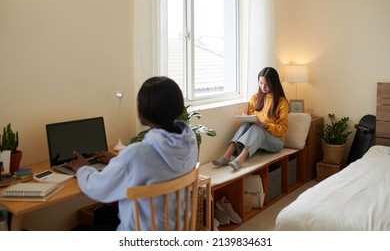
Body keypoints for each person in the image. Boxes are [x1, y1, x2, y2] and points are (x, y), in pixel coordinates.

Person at [67, 76, 199, 231]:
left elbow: (97, 189)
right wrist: (118, 161)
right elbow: (152, 168)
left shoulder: (136, 154)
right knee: (103, 213)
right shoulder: (189, 143)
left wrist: (83, 168)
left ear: (142, 113)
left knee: (77, 231)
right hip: (173, 231)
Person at [212, 67, 289, 171]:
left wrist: (266, 125)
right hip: (260, 137)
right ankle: (226, 156)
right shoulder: (256, 98)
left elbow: (283, 129)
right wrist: (247, 118)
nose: (263, 87)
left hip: (276, 141)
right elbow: (252, 117)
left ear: (274, 83)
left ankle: (240, 160)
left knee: (258, 129)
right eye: (261, 83)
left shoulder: (281, 102)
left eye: (267, 84)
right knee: (246, 125)